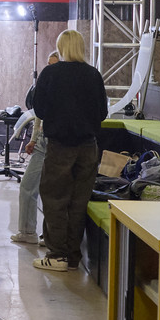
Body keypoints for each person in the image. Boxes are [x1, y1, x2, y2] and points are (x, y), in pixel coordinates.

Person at [31, 30, 110, 273]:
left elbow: (39, 107)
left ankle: (57, 255)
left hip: (60, 146)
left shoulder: (51, 73)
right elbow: (103, 111)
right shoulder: (93, 75)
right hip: (88, 147)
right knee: (78, 201)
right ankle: (74, 256)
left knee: (55, 199)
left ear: (61, 47)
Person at [13, 51, 61, 246]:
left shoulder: (64, 89)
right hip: (42, 142)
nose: (49, 68)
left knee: (52, 192)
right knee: (28, 186)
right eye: (48, 64)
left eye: (54, 64)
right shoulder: (45, 86)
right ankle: (27, 231)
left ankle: (47, 236)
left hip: (57, 143)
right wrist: (33, 140)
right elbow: (38, 117)